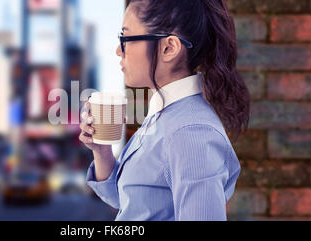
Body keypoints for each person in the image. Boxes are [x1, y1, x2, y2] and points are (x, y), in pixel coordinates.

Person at [79, 0, 250, 221]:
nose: (118, 50)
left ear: (168, 48)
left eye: (126, 38)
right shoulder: (166, 115)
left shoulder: (191, 134)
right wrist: (101, 151)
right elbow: (137, 203)